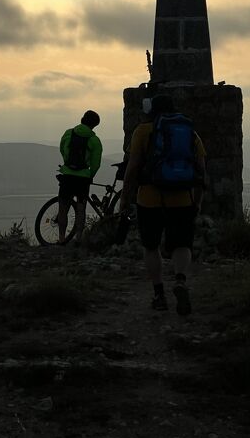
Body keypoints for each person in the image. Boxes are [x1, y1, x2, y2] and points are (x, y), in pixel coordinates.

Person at [120, 94, 206, 315]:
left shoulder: (142, 131)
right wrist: (197, 202)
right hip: (182, 198)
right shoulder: (190, 133)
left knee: (151, 246)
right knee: (182, 244)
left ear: (150, 111)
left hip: (149, 198)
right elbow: (201, 171)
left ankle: (159, 294)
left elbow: (131, 170)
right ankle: (180, 280)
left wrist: (125, 201)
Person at [57, 110, 102, 244]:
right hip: (83, 178)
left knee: (63, 207)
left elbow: (62, 148)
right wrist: (90, 175)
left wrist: (67, 165)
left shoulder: (68, 133)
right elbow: (96, 163)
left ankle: (61, 238)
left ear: (82, 119)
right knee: (81, 208)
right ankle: (78, 238)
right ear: (94, 125)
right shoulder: (94, 140)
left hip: (67, 175)